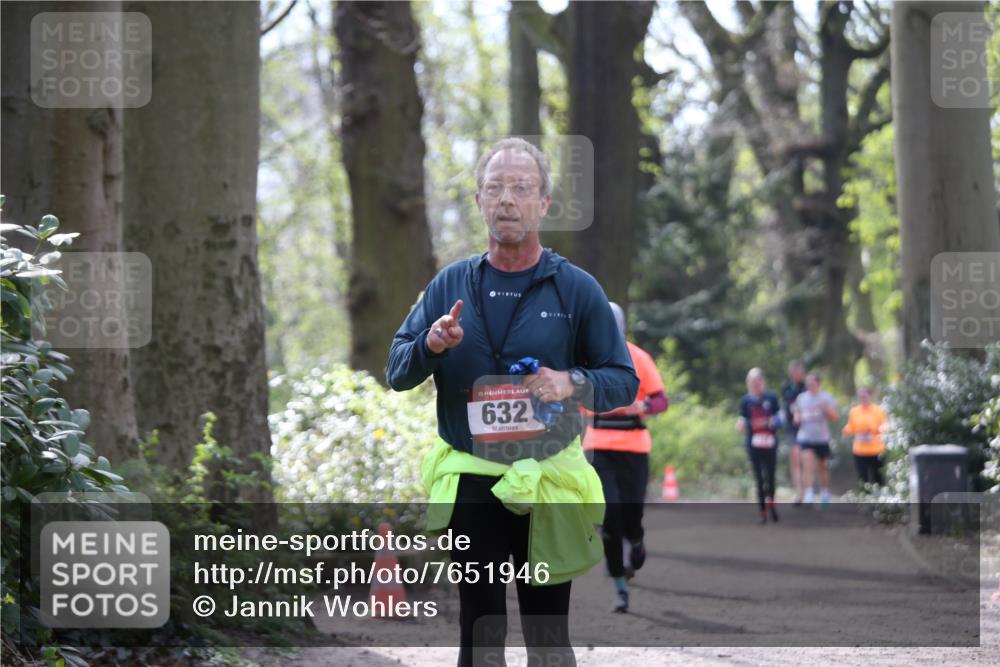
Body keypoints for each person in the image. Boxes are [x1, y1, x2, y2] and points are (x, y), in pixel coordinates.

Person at [386, 137, 639, 667]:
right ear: (478, 200)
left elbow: (623, 382)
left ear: (544, 203)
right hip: (472, 481)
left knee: (548, 637)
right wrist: (432, 344)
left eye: (521, 188)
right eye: (495, 188)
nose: (507, 199)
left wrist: (572, 381)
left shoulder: (576, 289)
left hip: (547, 478)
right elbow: (397, 371)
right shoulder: (449, 283)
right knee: (479, 636)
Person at [582, 302, 668, 613]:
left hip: (634, 446)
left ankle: (637, 538)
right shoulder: (586, 358)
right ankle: (620, 587)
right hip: (600, 445)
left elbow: (661, 400)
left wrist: (642, 407)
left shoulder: (638, 357)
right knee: (609, 515)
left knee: (631, 513)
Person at [736, 368, 782, 524]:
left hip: (770, 444)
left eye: (758, 382)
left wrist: (772, 422)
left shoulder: (772, 398)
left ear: (763, 382)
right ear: (748, 384)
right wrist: (741, 425)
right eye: (752, 382)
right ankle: (762, 512)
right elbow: (742, 420)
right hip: (753, 445)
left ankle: (772, 506)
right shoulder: (745, 401)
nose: (755, 385)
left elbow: (780, 419)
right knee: (759, 478)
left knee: (770, 477)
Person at [792, 373, 840, 507]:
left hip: (821, 438)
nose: (810, 386)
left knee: (822, 467)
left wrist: (827, 410)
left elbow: (835, 417)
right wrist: (796, 417)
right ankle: (809, 493)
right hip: (805, 437)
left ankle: (824, 492)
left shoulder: (826, 397)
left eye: (812, 383)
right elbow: (796, 413)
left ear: (819, 384)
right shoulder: (801, 398)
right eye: (808, 384)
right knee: (807, 465)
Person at [842, 386, 888, 486]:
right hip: (860, 451)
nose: (862, 398)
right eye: (860, 396)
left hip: (876, 450)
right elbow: (851, 426)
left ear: (870, 396)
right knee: (863, 479)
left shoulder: (878, 410)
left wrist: (874, 429)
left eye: (864, 396)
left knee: (878, 478)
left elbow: (885, 426)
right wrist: (847, 430)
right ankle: (865, 500)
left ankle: (880, 500)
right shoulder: (854, 411)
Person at [780, 360, 807, 505]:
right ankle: (799, 493)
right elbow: (790, 402)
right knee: (796, 458)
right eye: (795, 372)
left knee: (806, 459)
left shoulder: (807, 386)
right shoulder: (786, 387)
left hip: (808, 428)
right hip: (793, 428)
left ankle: (808, 490)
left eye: (800, 372)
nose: (798, 375)